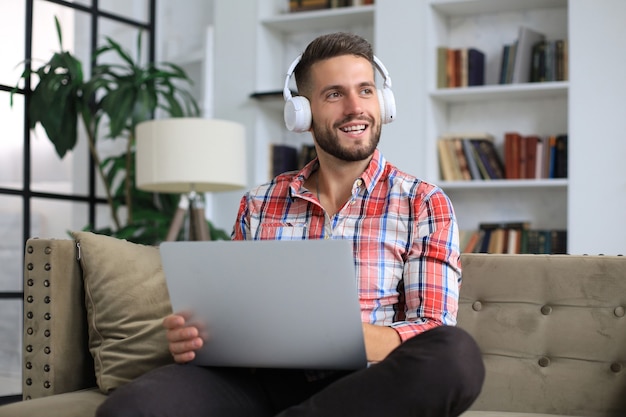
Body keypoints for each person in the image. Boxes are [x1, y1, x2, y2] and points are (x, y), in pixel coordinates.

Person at [96, 32, 484, 417]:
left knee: (456, 355)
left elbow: (431, 328)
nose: (355, 107)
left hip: (364, 387)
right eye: (334, 94)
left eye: (365, 91)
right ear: (301, 113)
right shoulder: (259, 203)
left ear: (383, 102)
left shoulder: (423, 202)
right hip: (257, 379)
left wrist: (336, 338)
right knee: (129, 409)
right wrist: (196, 338)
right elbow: (233, 312)